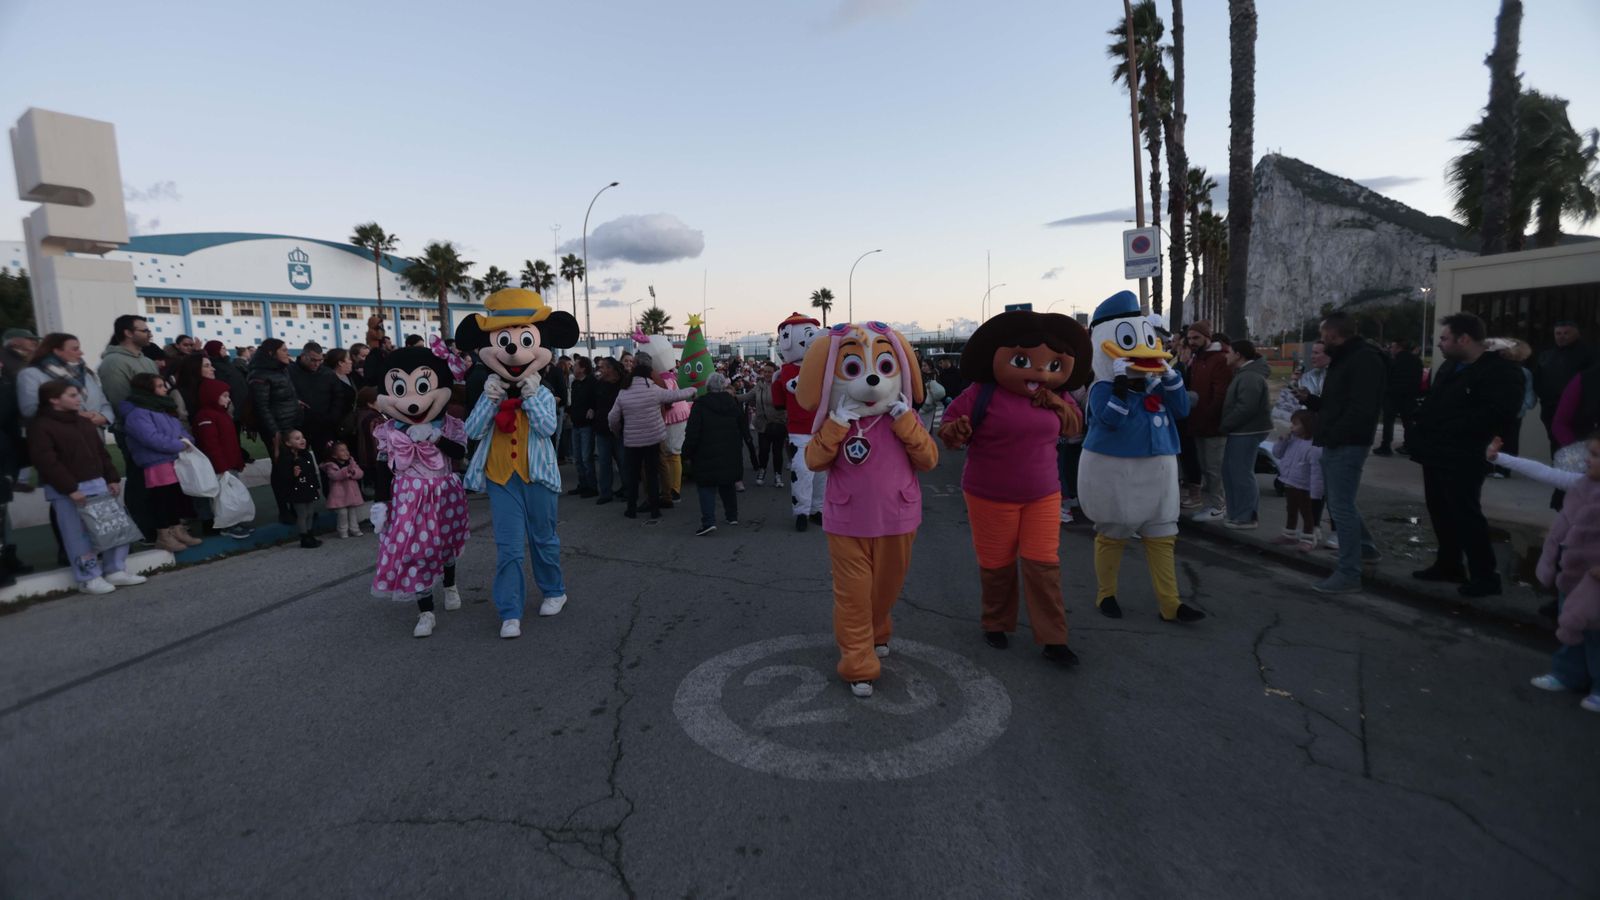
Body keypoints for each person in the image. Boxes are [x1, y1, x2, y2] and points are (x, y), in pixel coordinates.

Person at [801, 322, 941, 695]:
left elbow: (929, 459)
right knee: (853, 597)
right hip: (847, 521)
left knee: (885, 590)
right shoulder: (837, 420)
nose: (872, 380)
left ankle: (878, 629)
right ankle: (858, 662)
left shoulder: (902, 417)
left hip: (898, 518)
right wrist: (836, 424)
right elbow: (813, 460)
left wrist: (906, 421)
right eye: (852, 369)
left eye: (884, 367)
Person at [939, 311, 1088, 660]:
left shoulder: (1058, 395)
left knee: (1043, 565)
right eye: (1024, 361)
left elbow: (1074, 427)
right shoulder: (982, 392)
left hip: (1042, 494)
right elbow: (949, 428)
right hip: (988, 494)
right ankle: (996, 622)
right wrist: (955, 431)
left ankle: (1053, 638)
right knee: (997, 565)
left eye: (1053, 365)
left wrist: (1056, 403)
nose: (1040, 372)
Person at [1407, 312, 1525, 597]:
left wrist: (1448, 425)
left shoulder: (1501, 371)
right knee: (1439, 509)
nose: (1439, 344)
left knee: (1465, 513)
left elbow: (1498, 414)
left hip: (1466, 454)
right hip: (1436, 451)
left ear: (1464, 339)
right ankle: (1449, 564)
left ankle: (1485, 575)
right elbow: (1434, 402)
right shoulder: (1450, 367)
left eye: (1444, 338)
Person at [1484, 437, 1600, 715]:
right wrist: (1499, 459)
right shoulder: (1582, 484)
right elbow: (1544, 472)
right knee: (1570, 625)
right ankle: (1568, 674)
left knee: (1596, 633)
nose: (1588, 460)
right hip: (1572, 573)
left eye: (1596, 456)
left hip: (1596, 580)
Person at [1295, 312, 1386, 594]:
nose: (1321, 343)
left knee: (1340, 506)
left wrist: (1334, 434)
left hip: (1347, 443)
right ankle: (1366, 548)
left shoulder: (1363, 359)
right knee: (1341, 502)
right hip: (1337, 440)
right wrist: (1312, 401)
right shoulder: (1346, 358)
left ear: (1333, 335)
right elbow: (1337, 404)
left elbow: (1361, 408)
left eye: (1323, 337)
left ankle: (1349, 572)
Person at [27, 382, 146, 594]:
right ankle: (88, 578)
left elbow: (101, 452)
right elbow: (47, 462)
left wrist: (111, 477)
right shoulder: (41, 426)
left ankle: (115, 569)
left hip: (98, 484)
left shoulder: (83, 422)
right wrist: (70, 488)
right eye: (72, 395)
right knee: (77, 536)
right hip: (68, 491)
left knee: (113, 528)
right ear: (54, 399)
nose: (78, 399)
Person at [609, 353, 696, 521]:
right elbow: (675, 396)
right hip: (653, 439)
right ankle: (655, 509)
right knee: (652, 474)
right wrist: (693, 391)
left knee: (633, 475)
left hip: (632, 441)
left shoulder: (624, 392)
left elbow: (612, 417)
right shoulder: (654, 389)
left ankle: (631, 509)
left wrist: (618, 431)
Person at [119, 372, 200, 553]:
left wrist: (187, 441)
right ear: (147, 389)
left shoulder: (162, 408)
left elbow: (180, 430)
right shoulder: (137, 414)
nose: (165, 389)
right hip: (156, 462)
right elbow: (151, 438)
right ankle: (164, 535)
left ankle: (177, 529)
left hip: (173, 460)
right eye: (160, 386)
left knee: (174, 497)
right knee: (162, 499)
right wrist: (180, 445)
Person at [99, 315, 160, 540]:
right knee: (140, 480)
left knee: (157, 480)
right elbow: (120, 401)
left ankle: (162, 526)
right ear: (128, 333)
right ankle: (144, 531)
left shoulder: (146, 360)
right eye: (144, 330)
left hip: (155, 428)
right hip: (133, 432)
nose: (149, 333)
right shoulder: (113, 363)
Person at [1217, 339, 1272, 528]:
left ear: (1238, 355)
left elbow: (1247, 407)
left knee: (1240, 473)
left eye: (1229, 352)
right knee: (1231, 472)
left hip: (1247, 431)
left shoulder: (1250, 376)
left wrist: (1225, 425)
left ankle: (1246, 516)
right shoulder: (1244, 373)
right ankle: (1236, 513)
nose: (1226, 355)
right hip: (1241, 430)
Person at [683, 373, 745, 535]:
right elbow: (742, 426)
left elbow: (692, 432)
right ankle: (732, 516)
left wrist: (686, 452)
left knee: (706, 485)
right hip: (730, 450)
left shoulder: (700, 405)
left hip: (705, 452)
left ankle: (709, 521)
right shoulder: (732, 403)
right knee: (728, 482)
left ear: (707, 387)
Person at [191, 379, 253, 539]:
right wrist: (221, 466)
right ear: (212, 396)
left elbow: (231, 442)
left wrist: (238, 461)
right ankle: (227, 525)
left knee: (233, 496)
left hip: (229, 464)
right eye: (224, 396)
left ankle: (235, 521)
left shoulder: (222, 414)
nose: (228, 399)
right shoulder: (205, 416)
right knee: (223, 499)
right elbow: (210, 444)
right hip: (219, 467)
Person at [1183, 321, 1233, 522]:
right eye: (1189, 338)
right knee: (1205, 467)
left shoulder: (1219, 359)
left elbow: (1220, 395)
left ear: (1207, 337)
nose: (1192, 342)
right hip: (1198, 423)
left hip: (1213, 425)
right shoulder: (1197, 359)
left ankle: (1219, 506)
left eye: (1196, 338)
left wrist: (1209, 415)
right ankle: (1213, 504)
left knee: (1214, 468)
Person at [18, 333, 114, 427]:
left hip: (93, 433)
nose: (81, 353)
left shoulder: (85, 374)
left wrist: (104, 417)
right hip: (59, 433)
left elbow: (103, 403)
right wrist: (77, 416)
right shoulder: (31, 374)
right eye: (75, 349)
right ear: (57, 351)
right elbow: (30, 410)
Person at [1536, 321, 1595, 452]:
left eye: (1566, 333)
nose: (1561, 336)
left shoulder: (1589, 354)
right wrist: (1544, 396)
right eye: (1558, 333)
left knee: (1579, 442)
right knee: (1555, 441)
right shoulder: (1546, 355)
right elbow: (1538, 379)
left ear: (1576, 333)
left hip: (1579, 408)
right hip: (1551, 406)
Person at [1271, 410, 1324, 550]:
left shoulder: (1314, 447)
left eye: (1295, 424)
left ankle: (1308, 538)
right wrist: (1282, 441)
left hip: (1304, 486)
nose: (1291, 427)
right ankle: (1289, 535)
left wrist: (1316, 493)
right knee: (1291, 509)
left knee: (1307, 512)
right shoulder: (1292, 440)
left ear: (1307, 425)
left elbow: (1317, 473)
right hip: (1290, 482)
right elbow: (1277, 454)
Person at [1487, 338, 1536, 477]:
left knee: (1509, 440)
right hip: (1494, 410)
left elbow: (1529, 394)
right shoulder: (1493, 369)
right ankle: (1489, 466)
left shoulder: (1524, 372)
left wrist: (1521, 408)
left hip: (1514, 412)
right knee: (1490, 438)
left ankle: (1504, 469)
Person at [247, 338, 302, 455]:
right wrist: (275, 431)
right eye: (284, 350)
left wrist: (295, 402)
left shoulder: (282, 370)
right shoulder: (260, 375)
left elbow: (282, 395)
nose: (288, 353)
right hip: (278, 428)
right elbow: (261, 407)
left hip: (291, 424)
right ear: (271, 353)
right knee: (284, 461)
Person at [272, 429, 323, 549]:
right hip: (296, 490)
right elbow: (283, 478)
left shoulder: (307, 455)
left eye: (302, 437)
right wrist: (294, 475)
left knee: (310, 512)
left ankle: (310, 534)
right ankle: (304, 537)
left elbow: (312, 473)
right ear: (288, 443)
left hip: (308, 488)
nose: (302, 440)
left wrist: (316, 486)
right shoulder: (285, 459)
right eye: (297, 438)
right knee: (302, 514)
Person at [1373, 339, 1423, 456]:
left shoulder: (1394, 360)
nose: (1391, 349)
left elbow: (1387, 376)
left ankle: (1386, 446)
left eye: (1392, 347)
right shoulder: (1417, 361)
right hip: (1409, 396)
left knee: (1388, 422)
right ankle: (1409, 446)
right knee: (1408, 422)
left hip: (1392, 395)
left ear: (1399, 348)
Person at [745, 361, 787, 488]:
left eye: (770, 372)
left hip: (778, 423)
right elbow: (747, 396)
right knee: (763, 450)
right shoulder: (759, 386)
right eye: (765, 371)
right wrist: (731, 396)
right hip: (763, 424)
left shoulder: (780, 385)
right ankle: (762, 471)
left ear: (775, 373)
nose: (767, 374)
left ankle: (778, 475)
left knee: (777, 452)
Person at [592, 357, 624, 505]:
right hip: (602, 428)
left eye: (603, 367)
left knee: (623, 461)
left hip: (619, 429)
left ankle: (627, 489)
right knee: (604, 462)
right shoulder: (599, 384)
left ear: (611, 368)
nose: (601, 370)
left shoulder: (623, 384)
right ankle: (605, 492)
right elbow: (595, 402)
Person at [288, 343, 332, 451]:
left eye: (320, 360)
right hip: (298, 424)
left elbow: (337, 396)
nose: (317, 364)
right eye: (313, 360)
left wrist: (331, 417)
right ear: (303, 356)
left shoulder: (327, 373)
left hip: (322, 424)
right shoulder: (289, 372)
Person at [566, 356, 599, 498]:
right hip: (576, 423)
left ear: (583, 368)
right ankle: (583, 484)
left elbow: (597, 400)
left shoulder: (592, 382)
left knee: (586, 457)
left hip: (587, 425)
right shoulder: (575, 383)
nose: (573, 367)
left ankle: (592, 486)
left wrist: (593, 409)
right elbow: (574, 402)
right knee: (578, 457)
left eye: (576, 365)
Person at [320, 441, 365, 539]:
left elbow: (360, 473)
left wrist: (354, 472)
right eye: (342, 450)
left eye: (346, 449)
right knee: (342, 513)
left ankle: (355, 529)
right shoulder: (331, 465)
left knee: (352, 512)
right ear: (334, 455)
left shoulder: (352, 463)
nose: (346, 452)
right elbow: (334, 476)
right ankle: (343, 530)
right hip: (339, 495)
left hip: (351, 494)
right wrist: (346, 471)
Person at [202, 341, 250, 433]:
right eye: (222, 348)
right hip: (229, 405)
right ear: (215, 350)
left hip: (239, 403)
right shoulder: (215, 366)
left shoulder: (227, 363)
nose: (225, 350)